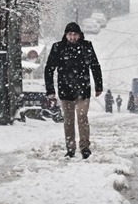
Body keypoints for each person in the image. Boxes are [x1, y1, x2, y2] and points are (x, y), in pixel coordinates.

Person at [44, 22, 103, 159]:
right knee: (68, 120)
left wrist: (98, 86)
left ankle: (85, 147)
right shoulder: (58, 48)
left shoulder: (86, 46)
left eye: (75, 34)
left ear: (79, 35)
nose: (72, 37)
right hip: (65, 90)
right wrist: (50, 90)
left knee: (82, 118)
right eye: (70, 34)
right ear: (66, 35)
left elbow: (95, 66)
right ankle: (70, 148)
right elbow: (49, 69)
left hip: (83, 90)